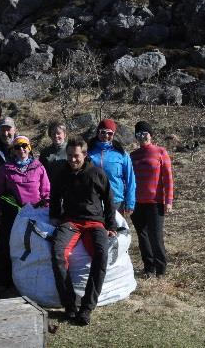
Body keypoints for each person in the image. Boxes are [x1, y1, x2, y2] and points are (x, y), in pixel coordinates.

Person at [50, 138, 117, 326]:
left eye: (76, 156)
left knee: (102, 254)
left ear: (85, 155)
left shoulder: (97, 173)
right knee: (57, 253)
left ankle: (87, 308)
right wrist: (54, 215)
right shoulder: (62, 174)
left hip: (95, 222)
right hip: (70, 221)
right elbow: (54, 196)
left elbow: (109, 200)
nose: (72, 160)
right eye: (69, 156)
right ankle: (69, 305)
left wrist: (110, 225)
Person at [0, 135, 50, 286]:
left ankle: (33, 279)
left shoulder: (38, 167)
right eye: (17, 147)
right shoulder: (6, 169)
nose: (21, 149)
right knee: (8, 245)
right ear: (13, 150)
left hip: (36, 214)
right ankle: (5, 279)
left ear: (29, 148)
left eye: (24, 146)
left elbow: (46, 192)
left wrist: (47, 211)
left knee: (34, 246)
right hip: (13, 215)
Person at [130, 121, 174, 278]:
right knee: (142, 236)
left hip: (155, 202)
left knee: (156, 236)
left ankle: (161, 269)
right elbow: (128, 180)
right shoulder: (133, 155)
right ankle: (148, 267)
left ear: (150, 135)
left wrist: (168, 200)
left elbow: (167, 178)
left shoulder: (160, 152)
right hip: (136, 202)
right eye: (138, 134)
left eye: (144, 133)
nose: (142, 137)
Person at [87, 119, 136, 217]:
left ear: (113, 135)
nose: (106, 136)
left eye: (110, 133)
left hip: (116, 201)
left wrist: (130, 202)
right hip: (93, 200)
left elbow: (130, 179)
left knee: (115, 231)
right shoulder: (88, 152)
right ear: (98, 132)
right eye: (103, 132)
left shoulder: (122, 154)